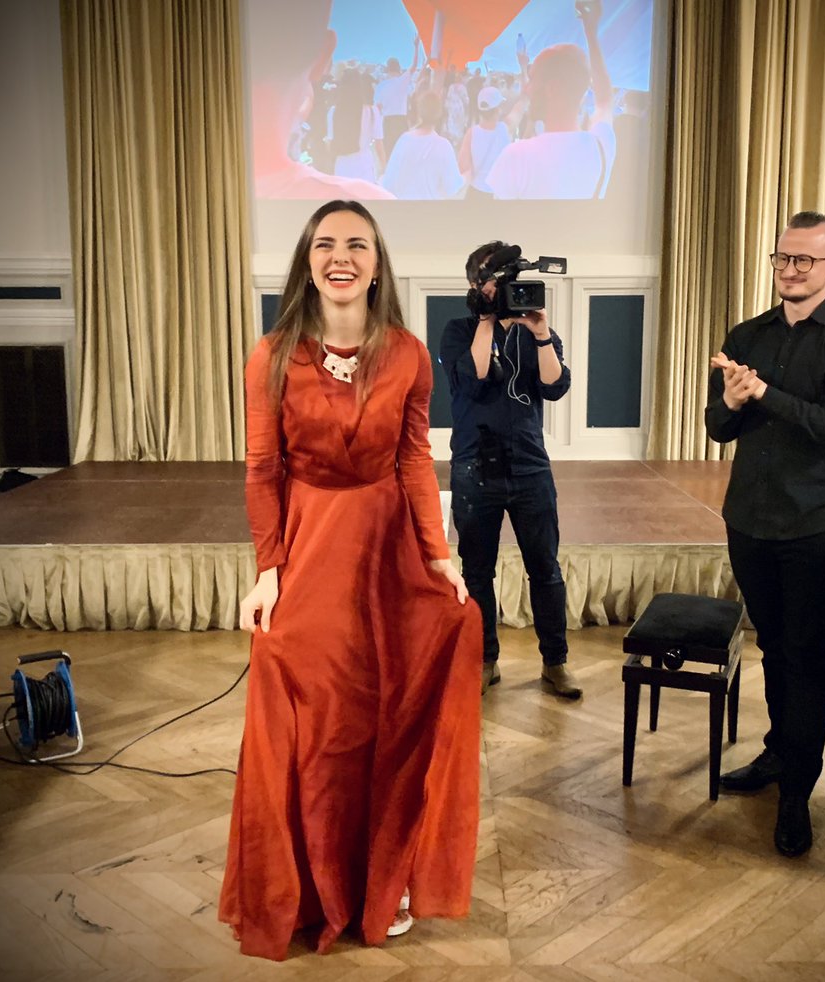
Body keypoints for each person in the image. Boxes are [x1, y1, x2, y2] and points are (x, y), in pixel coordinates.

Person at [220, 201, 483, 959]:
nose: (341, 256)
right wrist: (267, 569)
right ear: (308, 260)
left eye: (357, 245)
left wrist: (438, 555)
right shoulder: (270, 356)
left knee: (385, 716)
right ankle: (309, 882)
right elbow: (264, 470)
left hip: (387, 552)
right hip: (310, 547)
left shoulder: (406, 353)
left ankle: (383, 874)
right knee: (316, 715)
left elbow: (411, 460)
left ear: (376, 262)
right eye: (326, 244)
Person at [704, 211, 825, 858]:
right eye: (784, 257)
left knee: (807, 657)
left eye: (806, 259)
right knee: (773, 648)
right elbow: (717, 429)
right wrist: (730, 402)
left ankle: (799, 793)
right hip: (750, 519)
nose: (791, 269)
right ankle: (780, 754)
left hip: (816, 526)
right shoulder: (748, 334)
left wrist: (763, 395)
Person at [439, 242, 581, 700]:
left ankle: (554, 662)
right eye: (491, 283)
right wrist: (485, 318)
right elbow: (474, 375)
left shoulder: (534, 330)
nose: (502, 291)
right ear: (473, 286)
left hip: (528, 466)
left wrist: (540, 332)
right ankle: (485, 660)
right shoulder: (458, 330)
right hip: (474, 466)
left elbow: (554, 386)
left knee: (546, 569)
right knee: (477, 571)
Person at [250, 0, 393, 200]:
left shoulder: (335, 111)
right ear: (324, 54)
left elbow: (330, 142)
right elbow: (378, 144)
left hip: (341, 164)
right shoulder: (371, 201)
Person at [486, 0, 615, 199]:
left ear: (552, 89)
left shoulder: (516, 156)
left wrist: (590, 32)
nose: (527, 88)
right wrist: (591, 33)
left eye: (533, 79)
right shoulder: (601, 147)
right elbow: (605, 100)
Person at [381, 90, 465, 200]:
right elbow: (452, 188)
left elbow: (388, 183)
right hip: (430, 211)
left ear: (419, 112)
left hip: (403, 209)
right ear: (439, 113)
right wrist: (467, 174)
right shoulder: (444, 146)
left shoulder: (404, 140)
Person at [457, 86, 512, 200]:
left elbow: (463, 167)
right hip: (498, 193)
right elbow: (520, 109)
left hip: (475, 192)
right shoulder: (505, 128)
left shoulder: (471, 133)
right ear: (497, 110)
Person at [375, 37, 423, 158]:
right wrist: (416, 47)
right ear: (399, 68)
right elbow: (414, 66)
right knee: (402, 155)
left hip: (386, 122)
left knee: (389, 154)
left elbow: (378, 108)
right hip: (401, 121)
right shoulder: (402, 81)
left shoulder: (380, 86)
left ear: (387, 69)